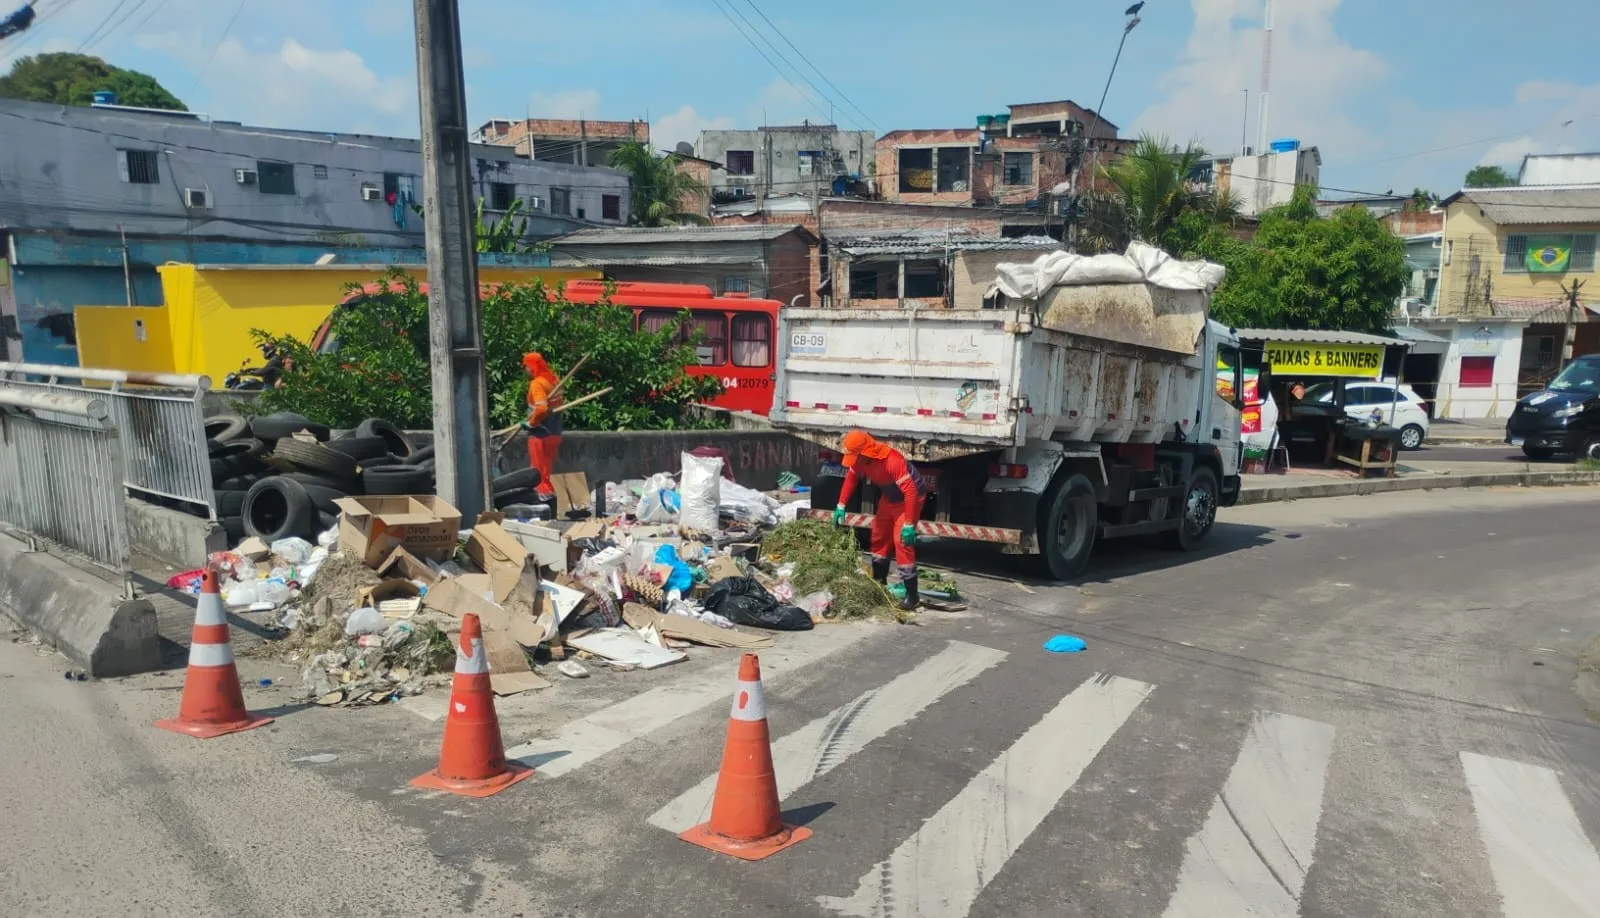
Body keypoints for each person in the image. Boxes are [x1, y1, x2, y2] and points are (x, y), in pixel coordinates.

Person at [831, 430, 926, 610]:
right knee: (879, 536)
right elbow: (851, 479)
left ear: (865, 452)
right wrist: (841, 505)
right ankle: (879, 585)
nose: (853, 461)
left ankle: (912, 596)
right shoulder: (860, 461)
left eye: (854, 456)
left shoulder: (892, 460)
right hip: (889, 498)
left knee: (902, 542)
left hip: (909, 499)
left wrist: (908, 524)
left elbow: (911, 492)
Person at [520, 352, 563, 498]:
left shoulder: (537, 383)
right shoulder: (553, 379)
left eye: (525, 366)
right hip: (555, 432)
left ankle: (543, 500)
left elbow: (541, 408)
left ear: (531, 367)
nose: (525, 370)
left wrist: (531, 423)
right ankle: (548, 497)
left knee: (538, 472)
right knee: (546, 471)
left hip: (540, 433)